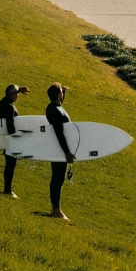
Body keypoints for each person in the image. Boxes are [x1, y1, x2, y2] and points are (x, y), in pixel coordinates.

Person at [42, 83, 76, 220]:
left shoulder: (56, 108)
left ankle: (56, 208)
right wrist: (67, 152)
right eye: (61, 92)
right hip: (58, 148)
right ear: (58, 95)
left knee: (59, 178)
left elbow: (60, 104)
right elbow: (59, 133)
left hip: (60, 148)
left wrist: (63, 91)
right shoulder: (54, 111)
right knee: (57, 177)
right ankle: (55, 209)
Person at [0, 83, 28, 196]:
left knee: (9, 163)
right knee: (11, 164)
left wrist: (19, 90)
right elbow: (10, 125)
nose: (18, 96)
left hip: (5, 137)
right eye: (16, 94)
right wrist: (15, 140)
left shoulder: (3, 102)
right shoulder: (9, 107)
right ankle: (7, 190)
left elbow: (10, 92)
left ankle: (7, 189)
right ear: (12, 95)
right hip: (10, 138)